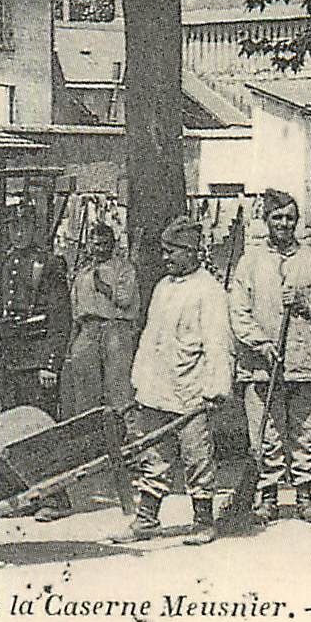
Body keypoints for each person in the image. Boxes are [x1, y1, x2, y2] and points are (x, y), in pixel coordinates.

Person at [229, 189, 311, 524]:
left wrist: (308, 304)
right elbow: (238, 311)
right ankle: (267, 496)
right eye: (277, 217)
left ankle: (305, 495)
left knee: (307, 429)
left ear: (298, 222)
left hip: (306, 360)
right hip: (261, 365)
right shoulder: (250, 262)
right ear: (266, 221)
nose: (283, 223)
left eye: (289, 218)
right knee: (266, 431)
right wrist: (260, 343)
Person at [126, 216, 235, 546]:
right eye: (163, 251)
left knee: (196, 456)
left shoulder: (209, 291)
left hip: (192, 390)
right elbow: (149, 338)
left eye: (172, 252)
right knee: (154, 455)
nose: (165, 258)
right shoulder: (162, 288)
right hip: (158, 388)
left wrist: (216, 389)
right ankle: (146, 519)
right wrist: (139, 380)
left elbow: (218, 343)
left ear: (192, 252)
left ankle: (203, 521)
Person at [0, 205, 72, 520]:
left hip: (36, 359)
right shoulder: (4, 263)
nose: (18, 233)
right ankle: (21, 494)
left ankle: (55, 498)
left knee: (41, 428)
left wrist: (50, 363)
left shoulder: (49, 265)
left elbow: (61, 321)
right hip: (9, 358)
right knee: (11, 427)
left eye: (24, 227)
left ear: (36, 229)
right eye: (13, 227)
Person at [65, 224, 139, 418]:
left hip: (114, 327)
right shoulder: (83, 271)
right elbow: (75, 306)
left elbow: (125, 299)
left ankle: (125, 433)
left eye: (105, 244)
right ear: (89, 245)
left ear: (113, 244)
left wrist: (103, 287)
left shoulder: (124, 268)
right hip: (88, 329)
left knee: (118, 386)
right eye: (96, 244)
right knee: (85, 386)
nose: (100, 249)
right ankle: (89, 433)